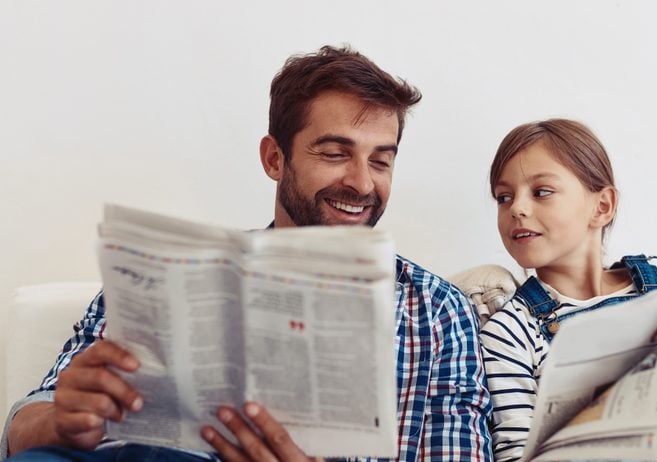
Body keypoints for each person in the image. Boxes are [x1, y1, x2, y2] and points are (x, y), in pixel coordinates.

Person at [1, 45, 493, 461]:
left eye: (381, 161)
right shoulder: (171, 273)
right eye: (335, 153)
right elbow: (22, 427)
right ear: (275, 158)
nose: (362, 183)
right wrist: (58, 421)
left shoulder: (437, 312)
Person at [478, 118, 657, 461]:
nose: (517, 208)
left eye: (541, 192)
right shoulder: (509, 333)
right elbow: (515, 452)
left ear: (602, 206)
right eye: (503, 197)